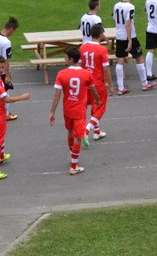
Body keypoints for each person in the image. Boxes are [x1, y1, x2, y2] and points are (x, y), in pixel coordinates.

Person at [49, 47, 100, 175]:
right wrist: (97, 99)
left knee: (70, 132)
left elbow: (57, 95)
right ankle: (74, 166)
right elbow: (93, 90)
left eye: (65, 57)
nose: (64, 59)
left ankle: (72, 155)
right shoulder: (86, 74)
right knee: (78, 137)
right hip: (79, 111)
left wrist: (52, 112)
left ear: (71, 59)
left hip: (67, 109)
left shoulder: (61, 74)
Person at [0, 56, 30, 180]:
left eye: (2, 67)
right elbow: (6, 99)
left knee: (0, 136)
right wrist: (22, 97)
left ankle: (1, 156)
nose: (1, 70)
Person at [113, 0, 155, 94]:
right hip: (130, 36)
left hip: (119, 36)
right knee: (139, 58)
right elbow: (128, 23)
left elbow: (115, 20)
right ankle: (144, 83)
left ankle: (121, 88)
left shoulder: (116, 5)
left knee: (120, 60)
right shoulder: (130, 7)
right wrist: (130, 40)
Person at [80, 23, 116, 143]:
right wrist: (111, 86)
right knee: (100, 108)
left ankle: (97, 131)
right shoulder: (101, 49)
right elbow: (106, 69)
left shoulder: (83, 47)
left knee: (92, 107)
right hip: (97, 84)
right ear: (100, 34)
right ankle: (86, 131)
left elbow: (79, 65)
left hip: (85, 83)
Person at [0, 16, 20, 121]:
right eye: (14, 31)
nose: (13, 33)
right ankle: (5, 114)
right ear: (11, 29)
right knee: (5, 92)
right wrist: (7, 75)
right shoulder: (6, 42)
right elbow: (6, 61)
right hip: (0, 71)